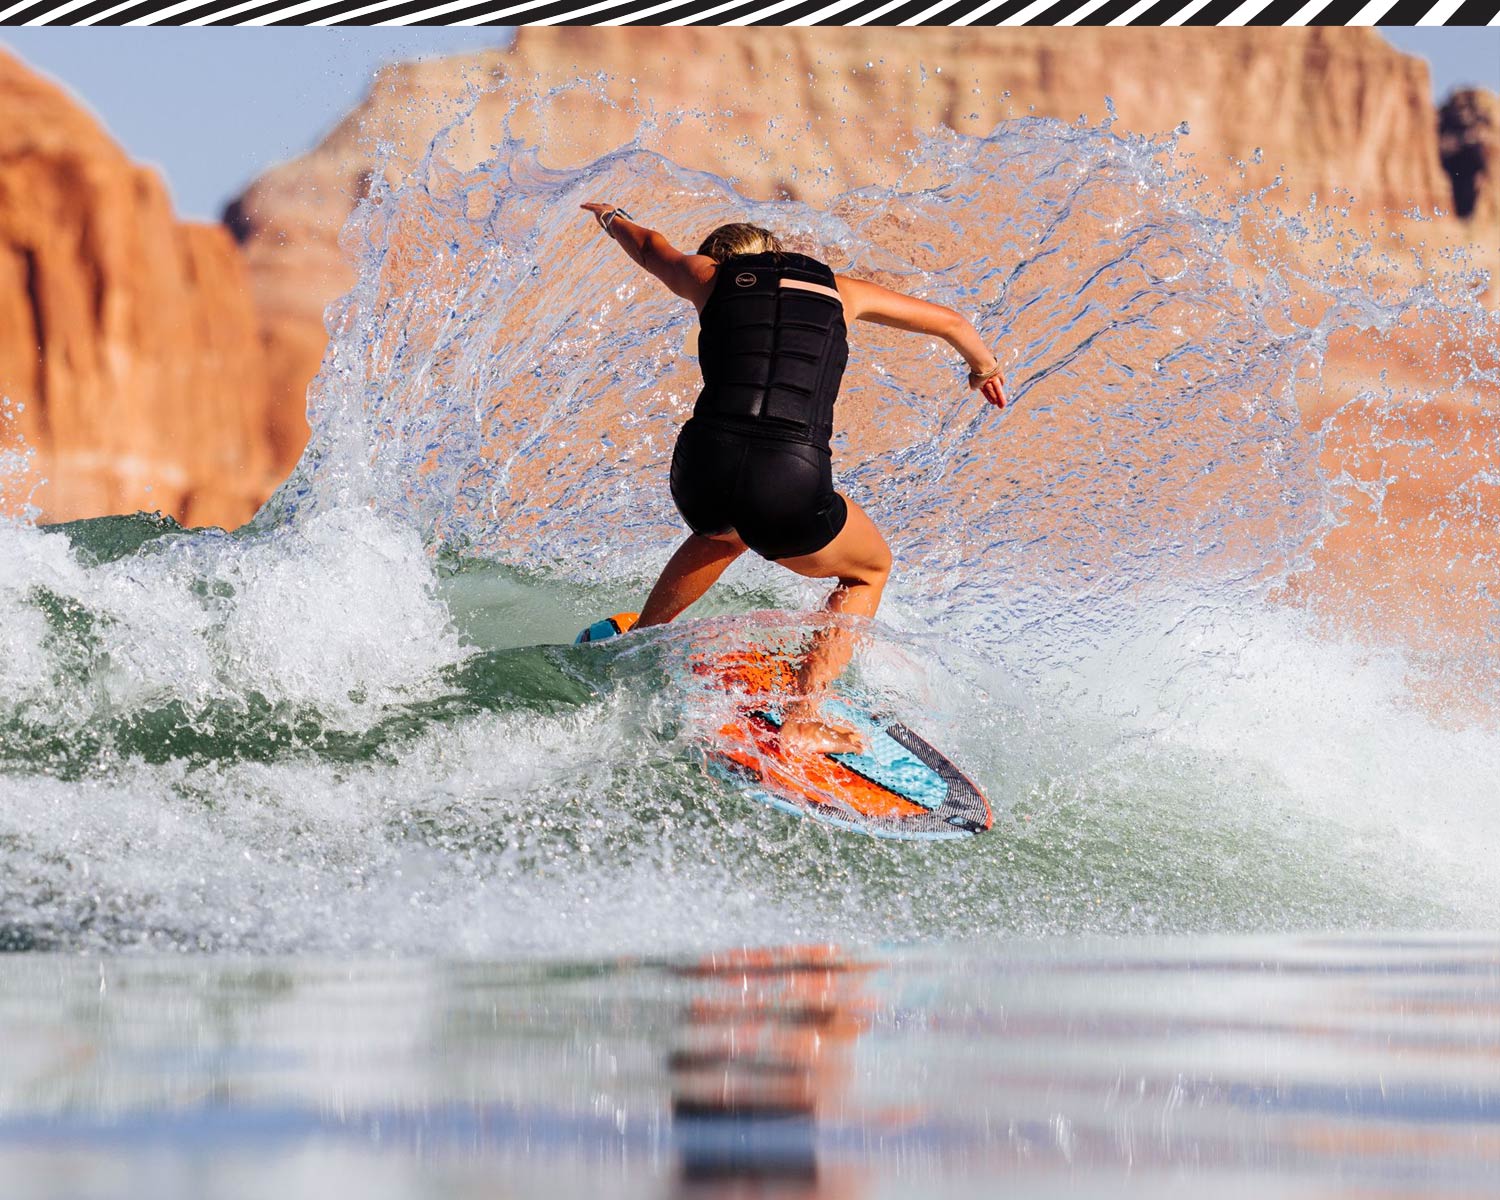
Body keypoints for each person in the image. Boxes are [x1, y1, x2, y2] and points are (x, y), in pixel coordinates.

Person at [580, 203, 1005, 754]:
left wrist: (611, 216)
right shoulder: (840, 290)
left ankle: (637, 645)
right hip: (787, 473)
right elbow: (952, 323)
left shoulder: (707, 277)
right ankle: (805, 717)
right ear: (773, 250)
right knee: (868, 569)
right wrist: (985, 369)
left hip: (701, 463)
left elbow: (648, 245)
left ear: (718, 259)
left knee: (721, 530)